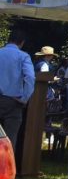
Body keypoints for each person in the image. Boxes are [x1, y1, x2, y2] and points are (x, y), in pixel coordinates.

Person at [0, 26, 35, 157]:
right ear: (22, 42)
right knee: (10, 139)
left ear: (8, 39)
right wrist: (24, 98)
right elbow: (30, 77)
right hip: (13, 101)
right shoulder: (23, 56)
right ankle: (7, 167)